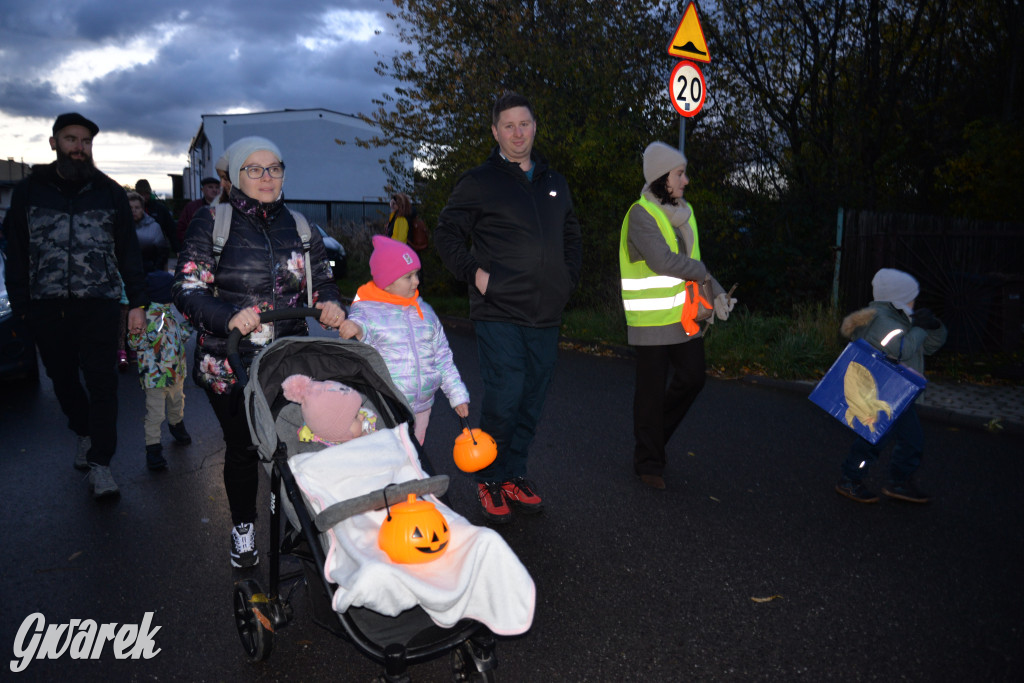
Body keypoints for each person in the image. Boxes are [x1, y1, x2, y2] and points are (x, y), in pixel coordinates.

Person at [173, 135, 347, 568]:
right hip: (228, 362)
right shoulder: (213, 223)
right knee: (244, 449)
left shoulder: (303, 228)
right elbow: (188, 288)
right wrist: (228, 316)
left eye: (275, 168)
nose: (267, 177)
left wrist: (331, 305)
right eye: (255, 168)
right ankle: (244, 527)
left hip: (287, 359)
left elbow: (323, 284)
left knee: (293, 441)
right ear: (232, 178)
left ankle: (295, 521)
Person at [434, 92, 582, 524]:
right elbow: (446, 234)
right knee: (506, 394)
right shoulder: (480, 181)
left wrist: (566, 279)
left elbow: (571, 236)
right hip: (498, 309)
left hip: (547, 311)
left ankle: (515, 472)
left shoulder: (555, 182)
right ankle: (489, 478)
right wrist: (477, 275)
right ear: (495, 132)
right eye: (509, 126)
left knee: (533, 397)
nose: (519, 133)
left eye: (525, 124)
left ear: (535, 126)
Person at [1, 112, 148, 499]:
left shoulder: (111, 193)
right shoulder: (30, 192)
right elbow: (15, 254)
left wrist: (137, 303)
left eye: (85, 141)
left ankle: (101, 462)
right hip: (45, 307)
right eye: (71, 139)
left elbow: (128, 253)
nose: (78, 148)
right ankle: (83, 431)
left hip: (98, 304)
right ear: (54, 143)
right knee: (63, 381)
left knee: (103, 383)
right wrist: (21, 308)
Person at [620, 142, 736, 491]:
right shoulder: (640, 215)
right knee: (651, 394)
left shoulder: (685, 214)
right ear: (661, 178)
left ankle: (654, 438)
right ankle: (648, 461)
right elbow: (664, 262)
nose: (686, 180)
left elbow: (695, 264)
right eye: (679, 174)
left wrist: (715, 292)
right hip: (652, 321)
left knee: (693, 378)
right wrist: (704, 274)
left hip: (685, 319)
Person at [339, 235, 470, 445]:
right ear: (387, 282)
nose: (417, 281)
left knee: (414, 453)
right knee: (387, 454)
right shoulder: (368, 311)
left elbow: (443, 359)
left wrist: (457, 396)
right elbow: (362, 326)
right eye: (408, 277)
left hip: (422, 408)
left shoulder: (425, 314)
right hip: (387, 406)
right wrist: (355, 328)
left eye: (416, 274)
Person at [834, 268, 947, 504]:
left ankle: (899, 481)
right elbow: (900, 349)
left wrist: (934, 326)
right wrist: (919, 327)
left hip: (899, 391)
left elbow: (926, 347)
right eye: (910, 295)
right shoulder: (882, 320)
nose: (914, 300)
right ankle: (850, 478)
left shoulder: (900, 318)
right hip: (882, 390)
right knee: (873, 441)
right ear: (896, 296)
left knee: (912, 440)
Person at [128, 270, 193, 471]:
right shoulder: (148, 316)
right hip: (155, 377)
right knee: (155, 414)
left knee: (177, 402)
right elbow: (134, 343)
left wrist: (189, 327)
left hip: (175, 373)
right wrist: (144, 335)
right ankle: (153, 449)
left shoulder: (168, 313)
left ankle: (177, 426)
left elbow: (177, 336)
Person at [128, 190, 171, 273]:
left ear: (142, 209)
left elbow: (163, 253)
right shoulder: (119, 227)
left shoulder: (154, 227)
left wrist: (155, 269)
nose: (134, 211)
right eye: (130, 208)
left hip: (150, 273)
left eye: (137, 207)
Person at [135, 178, 178, 252]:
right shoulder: (130, 209)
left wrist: (177, 249)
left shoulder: (160, 209)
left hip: (157, 249)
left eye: (146, 193)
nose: (143, 197)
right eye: (141, 194)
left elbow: (171, 230)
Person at [176, 176, 222, 246]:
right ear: (202, 189)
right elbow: (181, 228)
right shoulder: (192, 207)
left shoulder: (224, 207)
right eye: (210, 187)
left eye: (217, 187)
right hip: (196, 247)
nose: (214, 190)